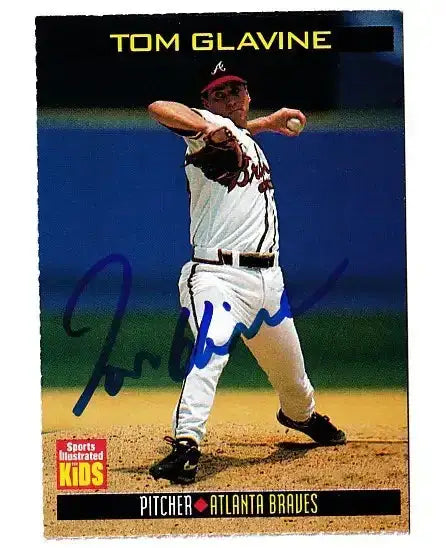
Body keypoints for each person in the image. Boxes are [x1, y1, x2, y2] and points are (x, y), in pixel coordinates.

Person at [147, 62, 346, 485]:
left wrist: (265, 124)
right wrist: (209, 129)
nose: (229, 99)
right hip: (217, 277)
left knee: (294, 380)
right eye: (218, 94)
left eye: (235, 90)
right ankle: (186, 445)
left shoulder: (243, 137)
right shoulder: (204, 130)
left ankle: (300, 416)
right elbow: (159, 107)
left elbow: (236, 131)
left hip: (268, 284)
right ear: (206, 102)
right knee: (210, 351)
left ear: (248, 94)